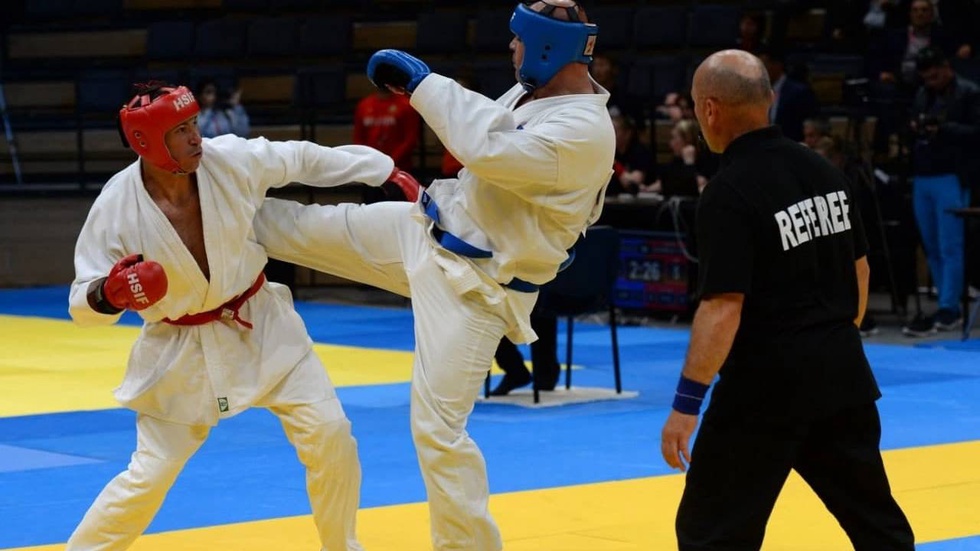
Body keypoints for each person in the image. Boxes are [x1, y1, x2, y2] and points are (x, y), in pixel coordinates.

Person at [252, 2, 614, 549]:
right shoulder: (534, 95)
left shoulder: (585, 131)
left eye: (519, 39)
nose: (511, 48)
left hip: (476, 288)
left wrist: (424, 84)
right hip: (428, 231)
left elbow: (488, 149)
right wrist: (424, 89)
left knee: (438, 431)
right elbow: (486, 131)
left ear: (547, 46)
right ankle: (208, 203)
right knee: (297, 229)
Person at [66, 82, 413, 551]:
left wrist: (382, 170)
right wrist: (108, 295)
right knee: (149, 475)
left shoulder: (228, 159)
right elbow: (81, 304)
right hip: (180, 352)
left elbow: (302, 158)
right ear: (147, 143)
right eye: (181, 130)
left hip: (263, 326)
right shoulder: (116, 207)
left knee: (331, 436)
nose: (196, 137)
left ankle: (342, 546)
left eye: (194, 124)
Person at [659, 50, 914, 551]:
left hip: (764, 390)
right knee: (877, 526)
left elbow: (722, 307)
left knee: (710, 533)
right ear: (769, 100)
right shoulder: (823, 170)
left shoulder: (728, 192)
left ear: (709, 109)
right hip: (842, 376)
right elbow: (860, 271)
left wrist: (686, 405)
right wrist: (831, 340)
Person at [901, 46, 980, 336]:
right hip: (923, 175)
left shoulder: (969, 92)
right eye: (926, 78)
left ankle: (950, 307)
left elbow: (977, 132)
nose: (930, 82)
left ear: (947, 68)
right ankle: (945, 301)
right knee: (931, 245)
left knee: (950, 245)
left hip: (952, 175)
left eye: (934, 76)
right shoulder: (923, 94)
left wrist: (944, 128)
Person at [352, 83, 421, 171]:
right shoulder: (364, 105)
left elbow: (410, 139)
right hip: (371, 166)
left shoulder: (406, 105)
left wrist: (390, 161)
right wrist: (366, 160)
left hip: (399, 166)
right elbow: (358, 138)